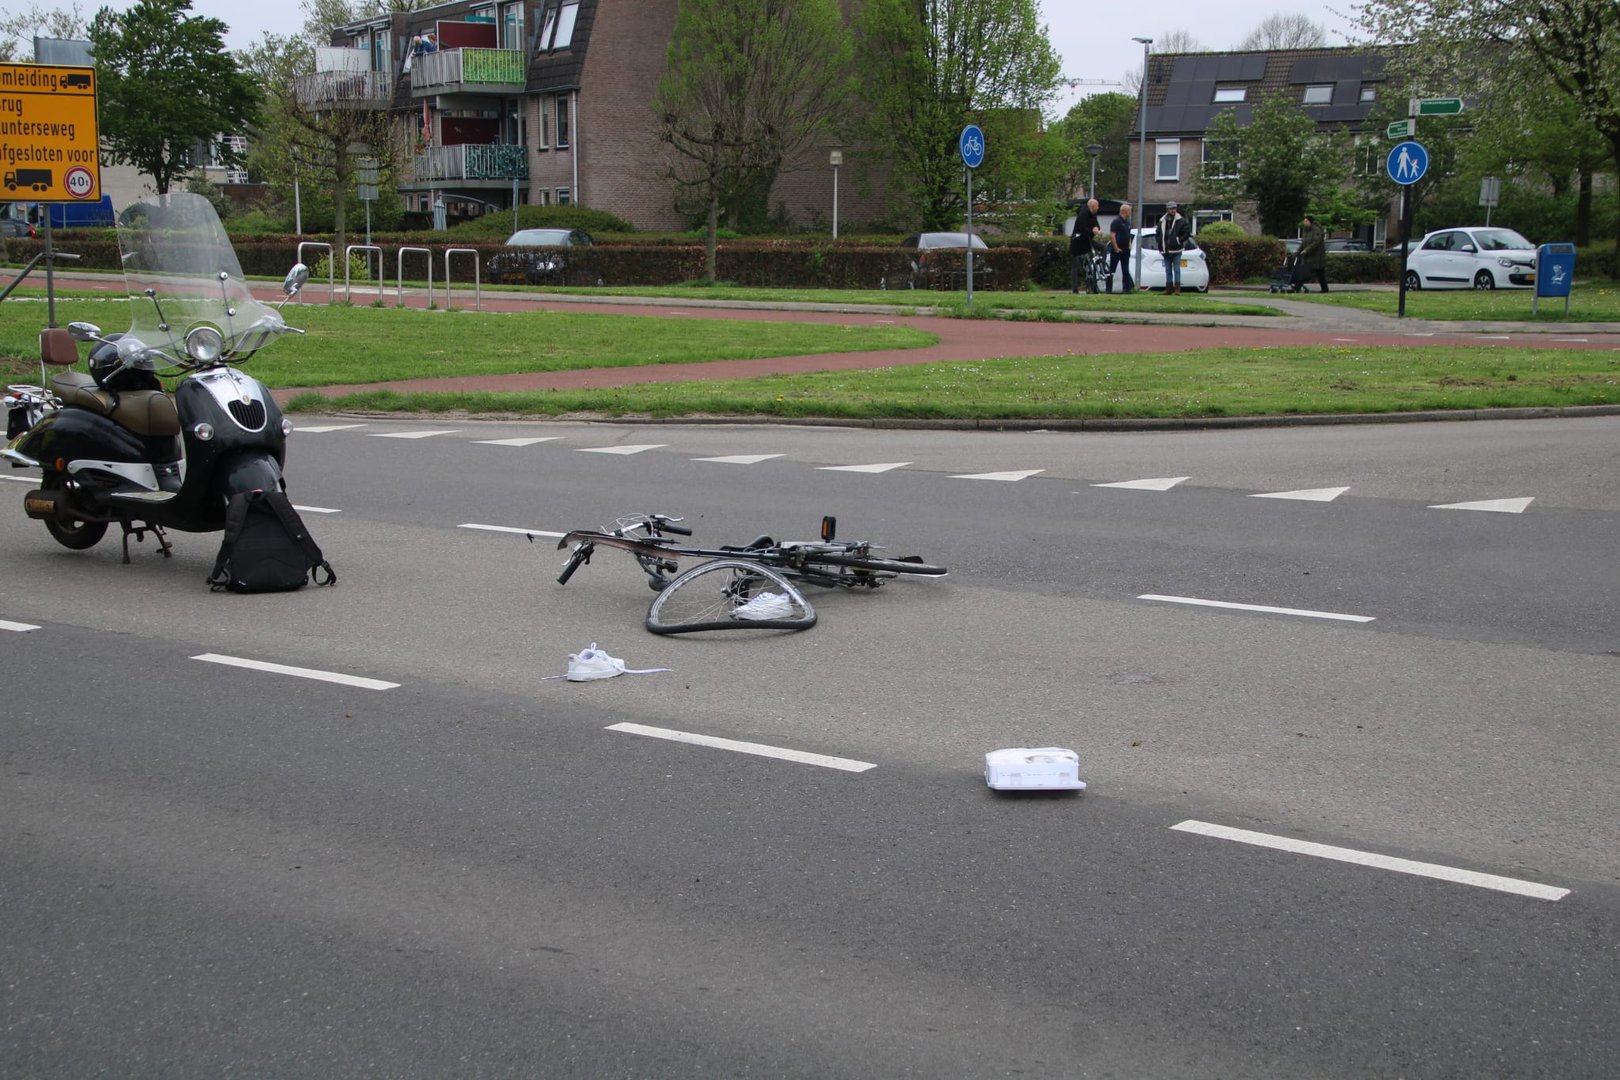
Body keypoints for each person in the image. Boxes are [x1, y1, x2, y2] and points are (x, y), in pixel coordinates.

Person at [1155, 202, 1191, 295]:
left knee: (1177, 269)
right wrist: (1159, 241)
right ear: (1167, 210)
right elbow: (1158, 232)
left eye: (1174, 208)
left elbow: (1186, 232)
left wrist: (1179, 240)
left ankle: (1177, 290)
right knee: (1167, 270)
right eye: (1171, 209)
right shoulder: (1162, 220)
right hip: (1165, 249)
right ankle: (1169, 289)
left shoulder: (1181, 220)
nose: (1173, 210)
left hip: (1176, 250)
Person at [1069, 197, 1102, 294]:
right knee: (1076, 265)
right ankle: (1075, 288)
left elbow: (1096, 224)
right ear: (1092, 206)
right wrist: (1092, 231)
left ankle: (1100, 267)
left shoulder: (1093, 214)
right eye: (1097, 206)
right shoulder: (1082, 214)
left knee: (1103, 248)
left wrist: (1097, 229)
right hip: (1078, 242)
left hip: (1088, 241)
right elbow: (1082, 228)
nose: (1098, 208)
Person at [1297, 213, 1329, 292]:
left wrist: (1306, 250)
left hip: (1317, 256)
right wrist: (1298, 251)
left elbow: (1316, 242)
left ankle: (1297, 288)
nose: (1304, 222)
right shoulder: (1305, 231)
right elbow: (1303, 243)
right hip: (1309, 256)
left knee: (1307, 272)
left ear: (1310, 222)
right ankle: (1325, 289)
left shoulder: (1317, 230)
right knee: (1319, 273)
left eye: (1306, 221)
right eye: (1304, 221)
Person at [1107, 203, 1134, 294]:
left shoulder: (1127, 222)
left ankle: (1127, 289)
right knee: (1112, 270)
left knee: (1125, 270)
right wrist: (1116, 247)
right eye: (1129, 210)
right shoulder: (1116, 222)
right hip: (1117, 250)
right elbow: (1112, 235)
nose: (1130, 212)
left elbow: (1128, 235)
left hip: (1126, 250)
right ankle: (1108, 289)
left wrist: (1129, 245)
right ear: (1125, 211)